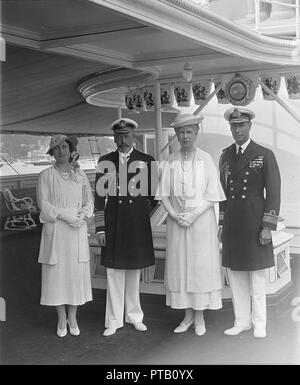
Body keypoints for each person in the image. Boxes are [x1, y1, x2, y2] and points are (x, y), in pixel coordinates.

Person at [156, 113, 226, 335]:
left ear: (196, 132)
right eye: (180, 132)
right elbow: (164, 195)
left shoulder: (206, 159)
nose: (184, 136)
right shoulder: (171, 161)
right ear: (176, 135)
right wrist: (175, 215)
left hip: (201, 222)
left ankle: (200, 317)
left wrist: (193, 215)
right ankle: (186, 316)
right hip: (178, 223)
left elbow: (211, 194)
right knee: (182, 266)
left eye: (188, 132)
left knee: (199, 267)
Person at [219, 107, 281, 338]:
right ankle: (242, 320)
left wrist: (267, 226)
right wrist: (222, 224)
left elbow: (274, 192)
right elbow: (223, 194)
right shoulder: (225, 156)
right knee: (235, 274)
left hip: (255, 222)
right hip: (234, 223)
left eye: (241, 125)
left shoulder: (263, 154)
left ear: (249, 126)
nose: (237, 130)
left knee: (256, 276)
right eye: (234, 126)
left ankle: (260, 323)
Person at [94, 118, 158, 337]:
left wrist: (140, 215)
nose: (122, 140)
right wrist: (100, 228)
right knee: (113, 273)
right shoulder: (105, 161)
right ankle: (113, 321)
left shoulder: (147, 161)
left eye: (126, 135)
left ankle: (134, 316)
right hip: (113, 224)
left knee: (134, 271)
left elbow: (154, 197)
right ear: (114, 137)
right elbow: (99, 198)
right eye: (119, 136)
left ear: (133, 137)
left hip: (136, 224)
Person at [37, 134, 93, 337]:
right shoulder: (45, 175)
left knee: (74, 274)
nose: (61, 151)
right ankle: (61, 318)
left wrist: (83, 215)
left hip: (76, 231)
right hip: (58, 231)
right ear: (52, 153)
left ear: (70, 150)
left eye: (64, 147)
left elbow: (89, 201)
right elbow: (44, 205)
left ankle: (73, 317)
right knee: (58, 275)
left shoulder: (80, 175)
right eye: (56, 148)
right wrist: (66, 215)